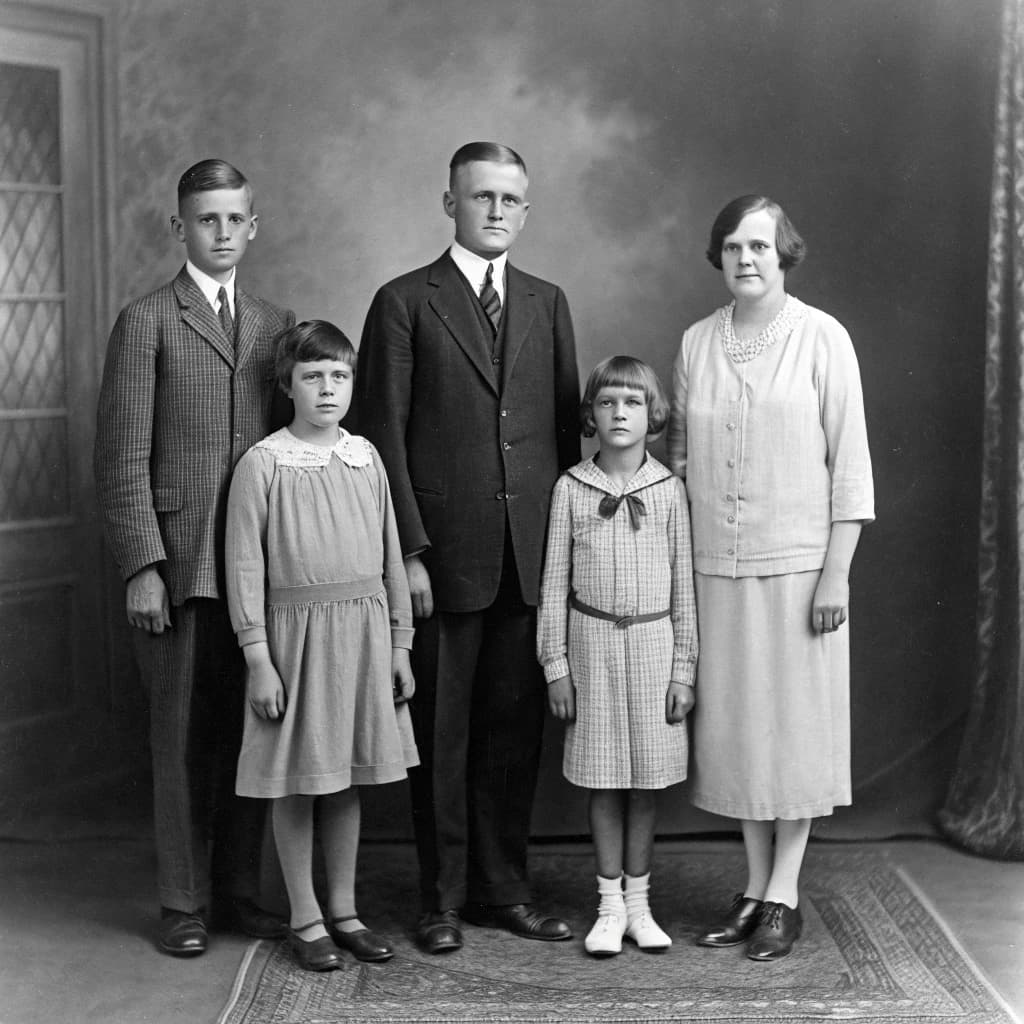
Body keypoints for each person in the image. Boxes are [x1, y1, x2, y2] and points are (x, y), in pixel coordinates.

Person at [352, 141, 580, 954]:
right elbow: (379, 437)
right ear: (449, 203)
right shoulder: (405, 301)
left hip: (527, 554)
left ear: (526, 208)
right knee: (442, 738)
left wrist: (561, 553)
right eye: (479, 197)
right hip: (442, 559)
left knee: (513, 738)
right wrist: (408, 553)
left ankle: (503, 892)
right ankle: (441, 898)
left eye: (508, 200)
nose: (494, 211)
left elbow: (560, 431)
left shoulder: (548, 302)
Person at [94, 159, 294, 957]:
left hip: (261, 570)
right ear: (180, 227)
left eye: (233, 218)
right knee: (179, 738)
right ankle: (183, 902)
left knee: (251, 730)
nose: (220, 232)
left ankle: (241, 892)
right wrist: (142, 564)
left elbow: (294, 444)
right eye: (204, 219)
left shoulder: (278, 323)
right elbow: (119, 456)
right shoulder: (147, 319)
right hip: (177, 565)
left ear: (253, 225)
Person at [667, 195, 874, 961]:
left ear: (785, 252)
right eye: (732, 247)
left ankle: (785, 890)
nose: (746, 259)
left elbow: (849, 465)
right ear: (718, 257)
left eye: (760, 246)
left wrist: (836, 577)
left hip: (800, 569)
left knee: (793, 736)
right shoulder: (696, 343)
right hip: (715, 568)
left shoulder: (823, 338)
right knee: (738, 737)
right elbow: (683, 466)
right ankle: (754, 888)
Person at [225, 320, 418, 971]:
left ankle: (345, 910)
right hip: (295, 641)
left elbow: (391, 555)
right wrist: (258, 658)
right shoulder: (265, 463)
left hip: (362, 636)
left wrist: (400, 644)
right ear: (288, 384)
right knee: (299, 781)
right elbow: (244, 566)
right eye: (313, 376)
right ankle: (304, 918)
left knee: (346, 779)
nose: (327, 388)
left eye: (339, 375)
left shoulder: (366, 457)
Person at [538, 356, 698, 957]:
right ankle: (607, 908)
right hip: (593, 650)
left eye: (632, 403)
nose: (619, 413)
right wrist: (556, 665)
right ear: (591, 415)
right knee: (603, 782)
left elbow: (684, 586)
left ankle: (639, 906)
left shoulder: (668, 491)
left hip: (656, 650)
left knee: (646, 784)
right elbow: (554, 585)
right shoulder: (570, 488)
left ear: (651, 415)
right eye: (607, 403)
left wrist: (684, 669)